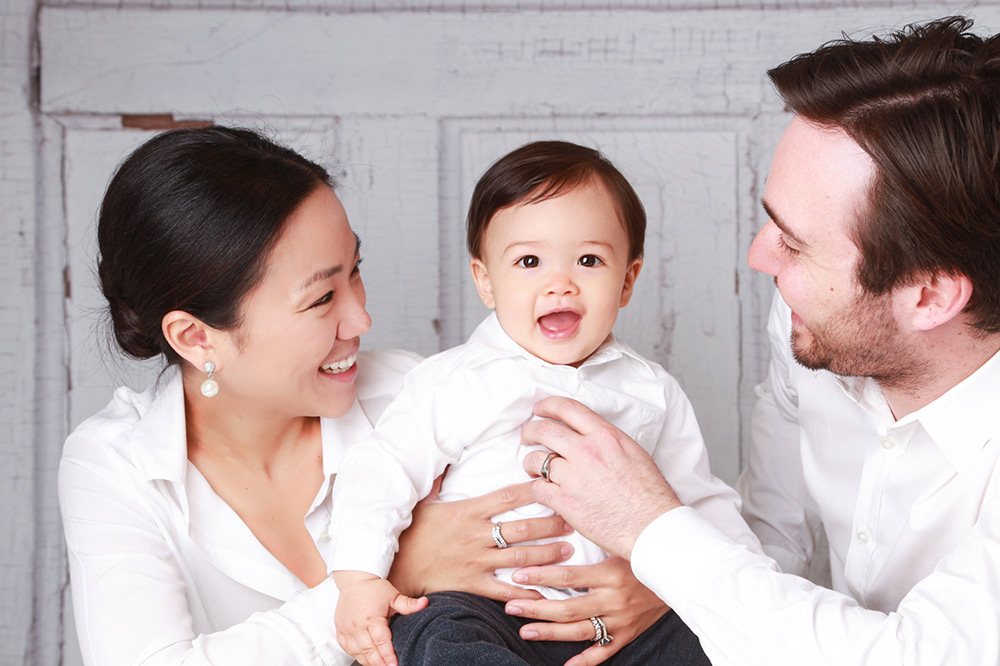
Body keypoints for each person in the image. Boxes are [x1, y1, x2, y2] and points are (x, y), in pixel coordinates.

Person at [58, 127, 667, 666]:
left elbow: (611, 519)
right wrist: (391, 573)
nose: (362, 318)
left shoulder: (421, 390)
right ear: (197, 337)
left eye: (355, 269)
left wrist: (654, 588)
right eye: (322, 298)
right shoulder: (117, 465)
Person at [516, 15, 1000, 666]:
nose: (757, 257)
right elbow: (768, 544)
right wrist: (665, 585)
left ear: (931, 296)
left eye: (795, 245)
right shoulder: (812, 324)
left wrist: (652, 531)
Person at [328, 141, 760, 666]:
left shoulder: (650, 391)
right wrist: (359, 578)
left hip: (617, 614)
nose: (560, 283)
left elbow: (697, 500)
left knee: (712, 639)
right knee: (431, 632)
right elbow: (379, 471)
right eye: (529, 261)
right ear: (486, 281)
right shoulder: (451, 383)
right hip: (484, 606)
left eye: (589, 260)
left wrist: (747, 590)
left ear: (627, 280)